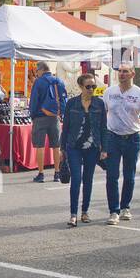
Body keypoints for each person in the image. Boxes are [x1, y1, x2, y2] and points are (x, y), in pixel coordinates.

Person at [56, 73, 107, 227]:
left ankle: (85, 211)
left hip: (92, 147)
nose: (91, 89)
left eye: (94, 86)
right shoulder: (72, 104)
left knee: (88, 180)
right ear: (80, 86)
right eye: (88, 86)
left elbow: (103, 128)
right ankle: (73, 214)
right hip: (74, 147)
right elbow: (66, 128)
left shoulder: (99, 104)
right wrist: (62, 148)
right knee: (76, 180)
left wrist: (104, 148)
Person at [102, 63, 140, 224]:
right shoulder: (109, 92)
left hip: (132, 137)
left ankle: (125, 208)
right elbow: (103, 114)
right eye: (120, 71)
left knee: (129, 176)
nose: (121, 74)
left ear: (132, 74)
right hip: (112, 137)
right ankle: (113, 211)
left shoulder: (139, 93)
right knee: (112, 175)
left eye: (125, 72)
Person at [28, 62, 67, 182]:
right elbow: (64, 98)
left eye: (37, 71)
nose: (36, 73)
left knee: (39, 146)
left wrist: (32, 115)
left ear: (41, 70)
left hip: (40, 116)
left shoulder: (39, 82)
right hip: (55, 117)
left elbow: (34, 100)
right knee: (56, 146)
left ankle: (41, 174)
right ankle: (57, 173)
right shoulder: (59, 81)